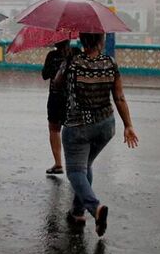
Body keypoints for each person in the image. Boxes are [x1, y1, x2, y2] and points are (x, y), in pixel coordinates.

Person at [53, 32, 139, 235]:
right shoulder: (110, 63)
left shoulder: (73, 62)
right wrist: (128, 125)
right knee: (85, 165)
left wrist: (66, 62)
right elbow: (119, 97)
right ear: (101, 41)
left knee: (75, 172)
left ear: (82, 41)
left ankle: (95, 208)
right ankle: (77, 212)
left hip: (78, 127)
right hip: (105, 126)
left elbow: (56, 84)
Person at [41, 39, 72, 175]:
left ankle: (58, 163)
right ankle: (74, 164)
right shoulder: (75, 54)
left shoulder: (51, 56)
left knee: (54, 128)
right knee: (72, 129)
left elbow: (44, 75)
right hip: (72, 98)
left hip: (55, 96)